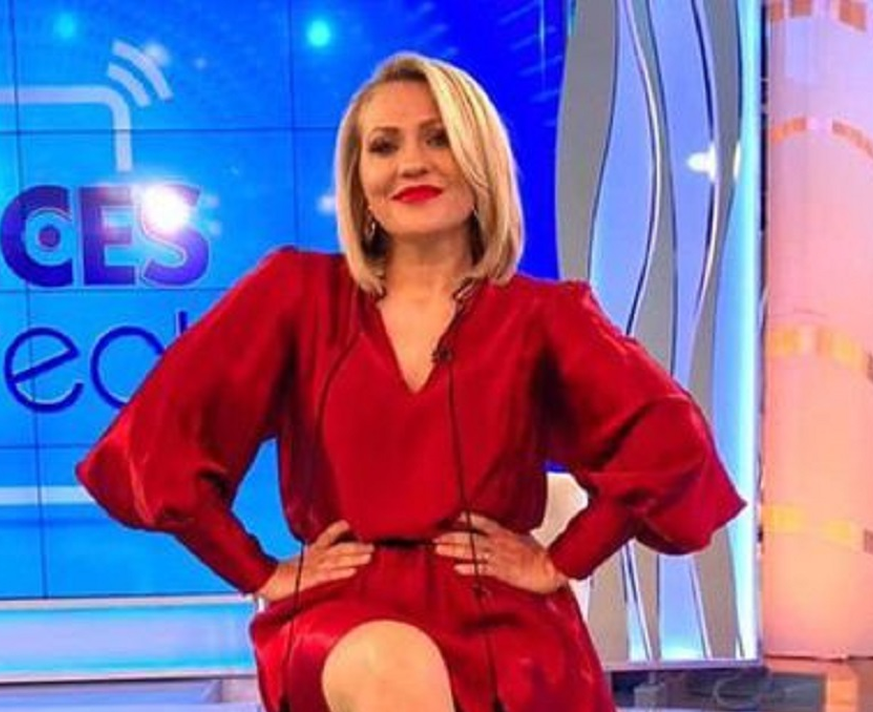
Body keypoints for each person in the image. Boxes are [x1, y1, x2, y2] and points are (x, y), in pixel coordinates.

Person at [77, 52, 744, 712]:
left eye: (439, 138)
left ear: (480, 159)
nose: (411, 163)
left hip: (504, 620)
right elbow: (156, 443)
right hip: (345, 613)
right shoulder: (294, 294)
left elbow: (672, 444)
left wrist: (562, 560)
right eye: (384, 146)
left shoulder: (547, 315)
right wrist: (256, 570)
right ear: (359, 179)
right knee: (389, 663)